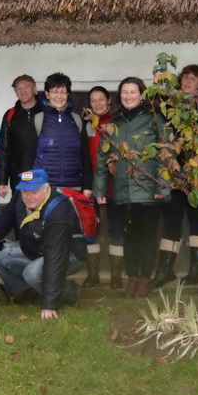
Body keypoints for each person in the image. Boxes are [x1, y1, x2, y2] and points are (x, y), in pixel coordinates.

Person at [94, 78, 170, 298]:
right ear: (119, 96)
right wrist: (100, 190)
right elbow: (102, 159)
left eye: (133, 92)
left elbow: (166, 154)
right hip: (122, 190)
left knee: (147, 236)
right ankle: (132, 277)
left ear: (141, 95)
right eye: (124, 92)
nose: (128, 96)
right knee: (128, 237)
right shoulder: (113, 123)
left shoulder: (153, 120)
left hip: (148, 190)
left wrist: (163, 186)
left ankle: (144, 279)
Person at [0, 169, 84, 319]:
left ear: (46, 189)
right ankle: (26, 292)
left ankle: (68, 291)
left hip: (67, 254)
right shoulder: (20, 196)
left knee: (32, 273)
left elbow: (55, 257)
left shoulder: (59, 211)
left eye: (34, 192)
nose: (29, 196)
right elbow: (8, 214)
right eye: (25, 191)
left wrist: (49, 303)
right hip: (36, 248)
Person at [156, 63, 198, 289]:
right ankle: (165, 270)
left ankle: (196, 268)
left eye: (193, 78)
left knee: (196, 219)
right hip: (173, 171)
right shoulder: (170, 106)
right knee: (172, 219)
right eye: (185, 77)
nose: (188, 81)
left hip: (197, 172)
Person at [32, 72, 92, 196]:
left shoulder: (76, 119)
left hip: (73, 188)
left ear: (68, 94)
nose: (59, 96)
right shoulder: (38, 119)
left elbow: (85, 156)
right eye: (54, 91)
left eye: (63, 92)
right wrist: (29, 185)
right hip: (43, 188)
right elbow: (28, 156)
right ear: (47, 94)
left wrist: (87, 186)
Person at [82, 85, 117, 288]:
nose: (97, 104)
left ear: (109, 100)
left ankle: (116, 276)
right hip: (92, 186)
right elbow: (84, 156)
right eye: (93, 100)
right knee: (91, 230)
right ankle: (93, 274)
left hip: (116, 187)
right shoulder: (87, 125)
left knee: (116, 231)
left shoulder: (117, 122)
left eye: (101, 99)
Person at [0, 74, 43, 199]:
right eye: (18, 88)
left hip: (43, 173)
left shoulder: (46, 112)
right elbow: (4, 149)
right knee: (19, 207)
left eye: (26, 87)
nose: (22, 91)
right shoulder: (11, 114)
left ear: (35, 89)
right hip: (19, 175)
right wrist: (1, 181)